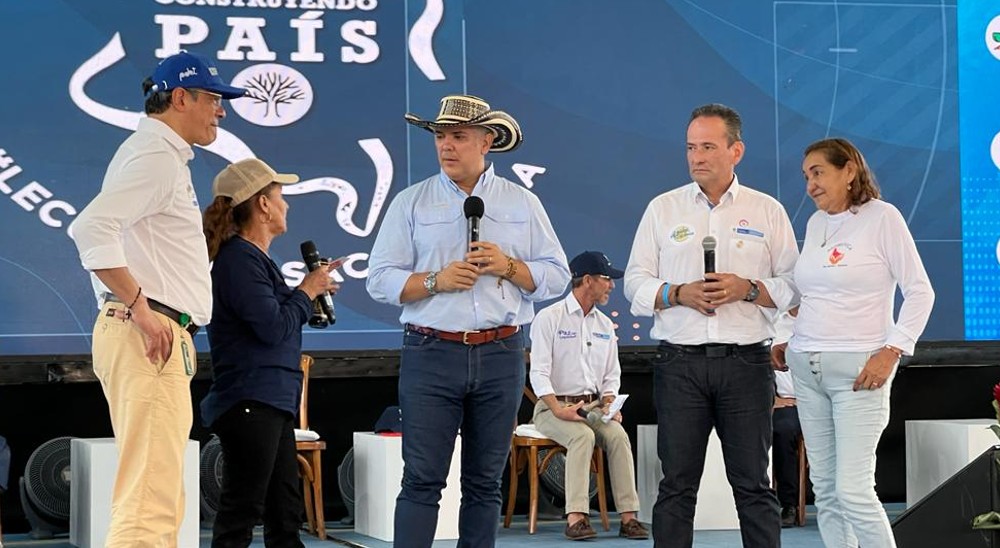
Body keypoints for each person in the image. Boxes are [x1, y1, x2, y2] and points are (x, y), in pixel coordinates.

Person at [367, 94, 571, 547]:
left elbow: (558, 276)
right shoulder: (411, 202)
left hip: (501, 352)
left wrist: (509, 266)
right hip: (430, 351)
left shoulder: (522, 203)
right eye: (440, 136)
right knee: (422, 479)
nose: (446, 146)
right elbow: (378, 279)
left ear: (487, 141)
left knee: (485, 482)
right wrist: (435, 281)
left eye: (458, 136)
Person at [70, 51, 246, 547]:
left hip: (153, 330)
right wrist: (141, 309)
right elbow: (90, 228)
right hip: (150, 332)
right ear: (181, 98)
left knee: (157, 492)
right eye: (213, 98)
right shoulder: (154, 157)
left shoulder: (156, 154)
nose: (221, 109)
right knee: (150, 498)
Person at [623, 103, 799, 548]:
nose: (696, 157)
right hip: (680, 365)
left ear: (736, 151)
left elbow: (795, 286)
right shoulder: (663, 209)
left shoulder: (767, 210)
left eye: (707, 147)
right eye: (690, 147)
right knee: (676, 486)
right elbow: (635, 283)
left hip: (747, 364)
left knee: (754, 485)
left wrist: (749, 288)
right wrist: (677, 293)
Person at [771, 138, 934, 547]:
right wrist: (786, 337)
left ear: (849, 171)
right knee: (826, 491)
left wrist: (892, 351)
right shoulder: (815, 223)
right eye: (806, 176)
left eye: (818, 173)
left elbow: (920, 292)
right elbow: (809, 292)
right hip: (806, 368)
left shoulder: (883, 218)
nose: (810, 185)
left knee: (854, 491)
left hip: (859, 372)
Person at [200, 158, 340, 547]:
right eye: (280, 196)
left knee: (285, 512)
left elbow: (274, 319)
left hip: (268, 400)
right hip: (251, 399)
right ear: (263, 204)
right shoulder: (238, 260)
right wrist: (306, 291)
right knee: (243, 510)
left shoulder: (252, 260)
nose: (286, 205)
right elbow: (273, 327)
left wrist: (308, 296)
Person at [529, 251, 649, 541]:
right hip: (552, 407)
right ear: (587, 280)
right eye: (607, 279)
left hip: (591, 407)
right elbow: (539, 372)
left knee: (618, 436)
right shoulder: (549, 318)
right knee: (582, 436)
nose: (612, 286)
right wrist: (558, 409)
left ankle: (629, 517)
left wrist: (609, 402)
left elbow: (611, 374)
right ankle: (576, 518)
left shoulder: (605, 325)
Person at [772, 369, 803, 528]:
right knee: (782, 431)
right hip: (785, 404)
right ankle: (788, 505)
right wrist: (770, 398)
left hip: (821, 401)